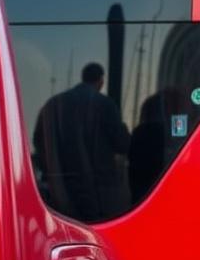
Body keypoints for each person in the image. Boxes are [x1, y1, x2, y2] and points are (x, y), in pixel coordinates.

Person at [33, 62, 131, 221]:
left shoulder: (52, 105)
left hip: (58, 194)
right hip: (96, 194)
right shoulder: (105, 104)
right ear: (101, 81)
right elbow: (122, 144)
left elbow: (39, 142)